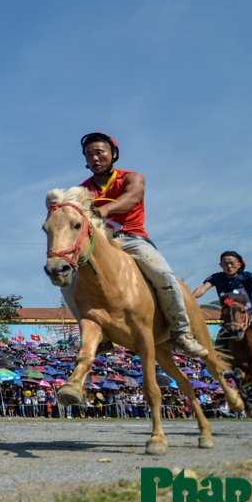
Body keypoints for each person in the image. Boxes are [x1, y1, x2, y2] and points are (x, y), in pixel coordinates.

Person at [77, 132, 207, 357]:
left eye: (100, 152)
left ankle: (181, 332)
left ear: (114, 154)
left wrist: (103, 210)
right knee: (69, 283)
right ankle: (100, 338)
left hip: (131, 239)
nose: (95, 158)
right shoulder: (81, 191)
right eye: (89, 155)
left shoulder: (132, 178)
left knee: (162, 273)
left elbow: (133, 198)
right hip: (99, 246)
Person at [192, 250, 252, 386]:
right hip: (229, 321)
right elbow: (203, 288)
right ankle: (224, 368)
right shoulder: (216, 278)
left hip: (250, 318)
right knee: (219, 344)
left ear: (239, 264)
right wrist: (191, 297)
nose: (229, 266)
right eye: (225, 263)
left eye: (232, 263)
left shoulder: (246, 276)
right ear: (220, 265)